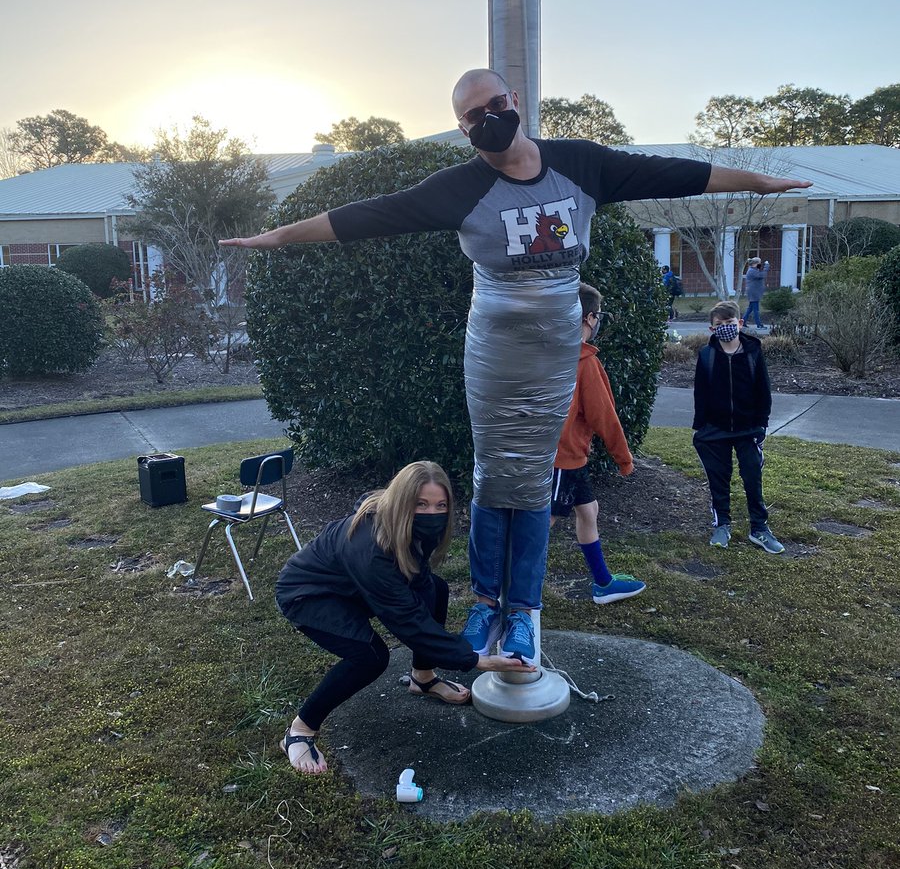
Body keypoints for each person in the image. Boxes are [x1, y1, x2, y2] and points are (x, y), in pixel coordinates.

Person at [222, 69, 810, 663]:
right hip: (494, 350)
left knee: (533, 478)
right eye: (473, 116)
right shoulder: (461, 186)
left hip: (555, 347)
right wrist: (279, 237)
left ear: (516, 101)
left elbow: (678, 173)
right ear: (463, 128)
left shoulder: (580, 164)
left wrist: (760, 182)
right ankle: (485, 603)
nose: (488, 119)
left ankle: (523, 612)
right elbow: (371, 215)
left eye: (495, 104)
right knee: (490, 475)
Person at [273, 461, 533, 775]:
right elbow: (407, 619)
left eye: (440, 505)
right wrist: (475, 660)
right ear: (402, 501)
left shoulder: (408, 524)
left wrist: (450, 651)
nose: (432, 513)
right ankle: (300, 730)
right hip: (309, 594)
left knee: (435, 589)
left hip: (353, 586)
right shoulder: (370, 547)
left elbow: (418, 584)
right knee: (370, 657)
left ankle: (422, 678)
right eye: (421, 504)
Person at [550, 282, 646, 604]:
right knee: (540, 525)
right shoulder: (584, 362)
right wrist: (624, 459)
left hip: (567, 456)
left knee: (588, 511)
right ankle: (509, 590)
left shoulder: (548, 353)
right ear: (590, 318)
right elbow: (604, 416)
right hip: (562, 459)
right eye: (598, 315)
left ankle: (603, 583)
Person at [692, 300, 784, 554]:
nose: (725, 327)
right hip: (715, 429)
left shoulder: (753, 352)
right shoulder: (707, 355)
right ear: (712, 328)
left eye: (730, 322)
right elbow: (701, 393)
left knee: (752, 477)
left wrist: (762, 424)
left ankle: (759, 528)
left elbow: (763, 390)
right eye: (719, 324)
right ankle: (722, 524)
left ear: (740, 323)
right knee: (718, 478)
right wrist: (700, 426)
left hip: (748, 428)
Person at [742, 257, 770, 328]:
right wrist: (766, 266)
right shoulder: (752, 271)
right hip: (753, 293)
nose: (760, 265)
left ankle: (743, 322)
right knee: (756, 310)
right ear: (755, 264)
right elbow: (762, 275)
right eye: (759, 263)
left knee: (750, 309)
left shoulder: (753, 270)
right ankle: (759, 324)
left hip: (753, 292)